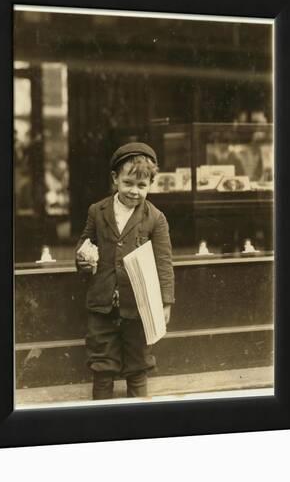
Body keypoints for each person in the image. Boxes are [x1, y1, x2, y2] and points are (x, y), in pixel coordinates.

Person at [76, 142, 175, 400]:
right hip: (102, 303)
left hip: (139, 305)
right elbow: (86, 244)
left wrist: (165, 303)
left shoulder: (156, 218)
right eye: (128, 183)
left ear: (151, 184)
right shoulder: (97, 212)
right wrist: (83, 260)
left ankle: (138, 419)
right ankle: (100, 420)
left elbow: (164, 261)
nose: (134, 191)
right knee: (102, 365)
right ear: (115, 179)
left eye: (142, 186)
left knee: (138, 365)